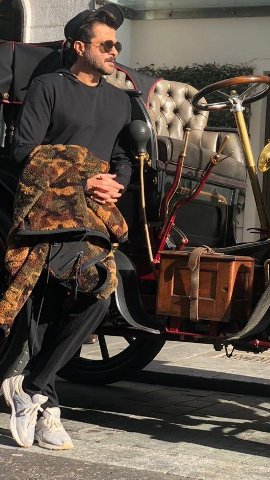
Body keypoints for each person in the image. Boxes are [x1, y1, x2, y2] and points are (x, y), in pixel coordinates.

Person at [1, 4, 132, 450]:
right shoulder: (48, 88)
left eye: (117, 44)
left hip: (93, 215)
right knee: (60, 292)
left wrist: (115, 184)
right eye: (106, 44)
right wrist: (81, 176)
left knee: (98, 290)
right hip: (48, 213)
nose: (116, 50)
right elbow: (22, 150)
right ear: (80, 47)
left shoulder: (119, 100)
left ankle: (32, 388)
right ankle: (46, 402)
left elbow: (121, 158)